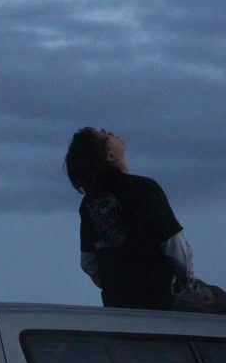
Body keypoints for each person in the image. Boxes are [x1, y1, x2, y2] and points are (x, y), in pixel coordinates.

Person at [64, 127, 194, 309]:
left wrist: (117, 287)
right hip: (162, 304)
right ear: (108, 155)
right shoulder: (145, 189)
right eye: (104, 135)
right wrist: (186, 282)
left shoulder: (88, 205)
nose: (107, 131)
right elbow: (176, 248)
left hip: (118, 308)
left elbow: (89, 263)